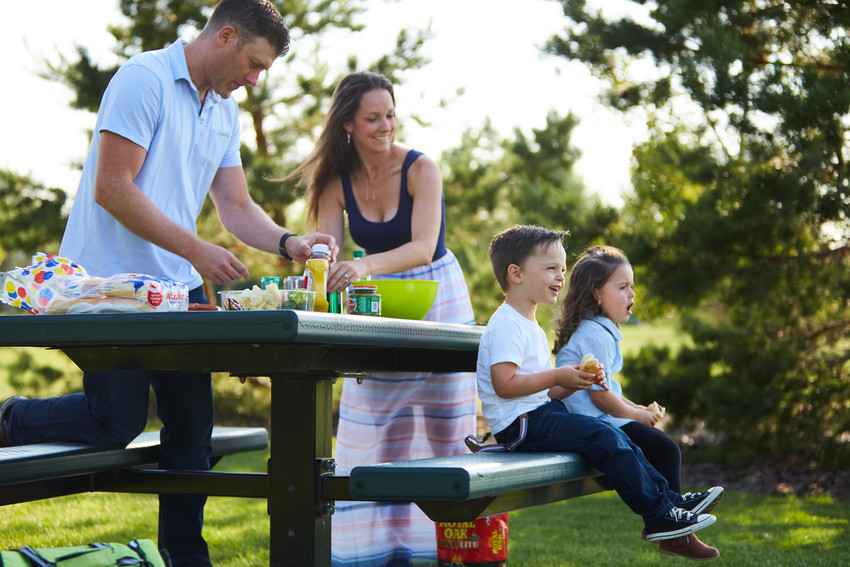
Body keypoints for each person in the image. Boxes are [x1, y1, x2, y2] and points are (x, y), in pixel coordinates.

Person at [0, 1, 335, 565]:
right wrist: (197, 250)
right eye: (252, 64)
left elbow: (235, 206)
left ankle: (186, 558)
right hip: (105, 291)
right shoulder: (143, 80)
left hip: (175, 295)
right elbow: (113, 186)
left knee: (191, 434)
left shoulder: (223, 111)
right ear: (224, 36)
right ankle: (9, 417)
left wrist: (288, 243)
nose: (253, 81)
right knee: (117, 421)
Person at [285, 71, 477, 566]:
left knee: (444, 430)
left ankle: (454, 551)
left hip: (438, 295)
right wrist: (317, 268)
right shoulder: (334, 181)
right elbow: (325, 252)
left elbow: (421, 246)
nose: (385, 125)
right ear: (348, 123)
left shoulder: (421, 168)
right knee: (376, 425)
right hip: (376, 300)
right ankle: (383, 553)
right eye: (372, 118)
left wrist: (362, 264)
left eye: (389, 114)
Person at [476, 225, 723, 553]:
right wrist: (556, 376)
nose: (561, 276)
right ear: (515, 273)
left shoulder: (527, 323)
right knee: (606, 437)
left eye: (562, 268)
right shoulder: (507, 324)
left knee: (619, 438)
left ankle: (670, 504)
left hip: (537, 414)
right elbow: (504, 386)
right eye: (551, 268)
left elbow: (541, 392)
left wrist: (570, 382)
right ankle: (661, 513)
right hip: (520, 425)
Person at [551, 245, 720, 560]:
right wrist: (634, 415)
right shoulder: (595, 334)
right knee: (665, 449)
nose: (633, 294)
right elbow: (600, 397)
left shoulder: (600, 330)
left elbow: (608, 387)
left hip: (600, 420)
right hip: (592, 424)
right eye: (623, 287)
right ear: (597, 293)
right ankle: (670, 529)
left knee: (662, 448)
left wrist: (637, 410)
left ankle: (669, 523)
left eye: (633, 287)